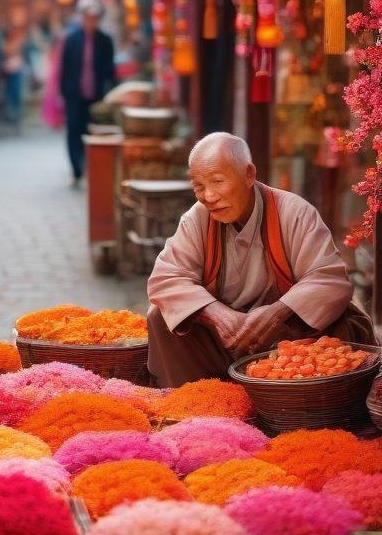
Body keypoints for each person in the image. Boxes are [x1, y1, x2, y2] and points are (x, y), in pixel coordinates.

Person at [147, 132, 375, 387]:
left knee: (339, 317)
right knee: (162, 316)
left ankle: (307, 401)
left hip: (286, 341)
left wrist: (276, 313)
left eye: (217, 181)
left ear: (249, 175)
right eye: (199, 186)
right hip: (227, 338)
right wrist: (218, 315)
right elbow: (166, 277)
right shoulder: (197, 218)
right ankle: (195, 400)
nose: (208, 196)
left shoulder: (294, 212)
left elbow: (329, 279)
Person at [59, 0, 115, 182]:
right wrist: (64, 93)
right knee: (74, 129)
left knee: (93, 131)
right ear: (82, 18)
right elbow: (65, 68)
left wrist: (108, 93)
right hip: (75, 94)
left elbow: (109, 70)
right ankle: (76, 167)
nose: (91, 21)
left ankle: (91, 168)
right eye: (88, 17)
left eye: (94, 18)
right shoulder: (71, 39)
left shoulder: (105, 40)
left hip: (96, 95)